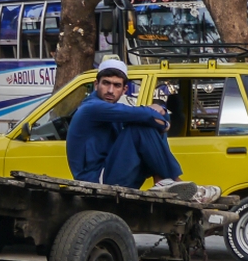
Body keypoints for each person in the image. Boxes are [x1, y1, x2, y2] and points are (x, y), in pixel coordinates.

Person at [65, 58, 220, 204]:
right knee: (139, 127)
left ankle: (162, 181)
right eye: (106, 83)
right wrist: (163, 123)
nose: (110, 90)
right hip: (95, 181)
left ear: (124, 89)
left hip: (113, 173)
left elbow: (155, 116)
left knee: (144, 124)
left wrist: (160, 118)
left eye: (117, 85)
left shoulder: (110, 109)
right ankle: (172, 181)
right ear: (96, 84)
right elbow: (146, 115)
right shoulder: (91, 108)